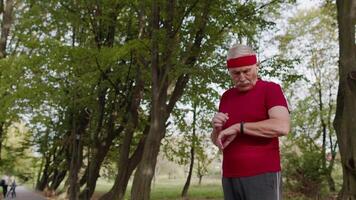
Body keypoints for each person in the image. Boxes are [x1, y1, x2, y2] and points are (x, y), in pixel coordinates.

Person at [211, 44, 290, 200]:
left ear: (257, 66)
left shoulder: (271, 89)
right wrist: (216, 129)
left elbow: (282, 126)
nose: (242, 78)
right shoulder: (226, 97)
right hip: (230, 175)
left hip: (262, 175)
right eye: (236, 73)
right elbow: (219, 142)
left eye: (246, 71)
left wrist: (239, 127)